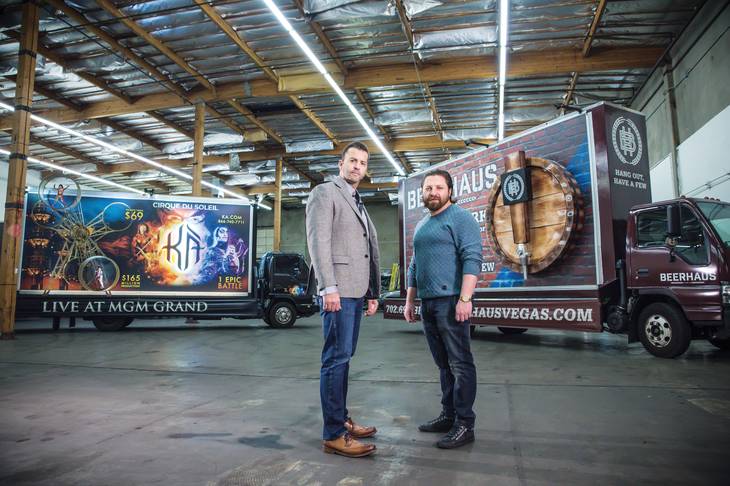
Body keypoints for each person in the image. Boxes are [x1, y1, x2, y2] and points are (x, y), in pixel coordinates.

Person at [306, 141, 381, 458]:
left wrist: (372, 291)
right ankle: (333, 433)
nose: (357, 167)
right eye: (352, 160)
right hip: (338, 290)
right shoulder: (325, 193)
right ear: (341, 163)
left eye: (362, 163)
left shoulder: (358, 200)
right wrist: (328, 287)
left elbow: (367, 248)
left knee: (344, 358)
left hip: (356, 290)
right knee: (335, 359)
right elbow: (318, 242)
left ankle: (341, 418)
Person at [403, 169, 482, 449]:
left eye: (438, 187)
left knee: (460, 363)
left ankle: (464, 424)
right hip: (428, 303)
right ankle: (448, 416)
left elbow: (472, 259)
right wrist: (411, 300)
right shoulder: (423, 224)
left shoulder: (461, 218)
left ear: (449, 190)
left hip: (451, 301)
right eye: (428, 188)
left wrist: (465, 299)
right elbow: (415, 265)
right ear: (422, 193)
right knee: (443, 364)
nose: (433, 192)